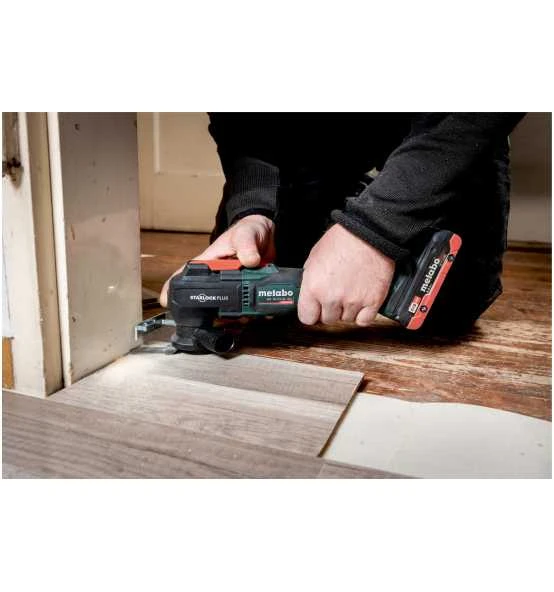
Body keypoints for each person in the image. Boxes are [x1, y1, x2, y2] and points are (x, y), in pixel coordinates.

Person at [161, 113, 525, 334]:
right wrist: (253, 209)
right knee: (272, 290)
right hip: (305, 134)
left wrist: (376, 231)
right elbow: (240, 122)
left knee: (445, 305)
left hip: (437, 132)